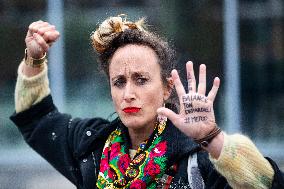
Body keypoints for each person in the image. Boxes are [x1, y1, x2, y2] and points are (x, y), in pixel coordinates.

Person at [10, 16, 284, 189]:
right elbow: (36, 118)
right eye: (119, 82)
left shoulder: (198, 159)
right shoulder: (91, 144)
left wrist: (212, 138)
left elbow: (269, 185)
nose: (128, 92)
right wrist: (34, 59)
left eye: (141, 80)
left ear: (167, 89)